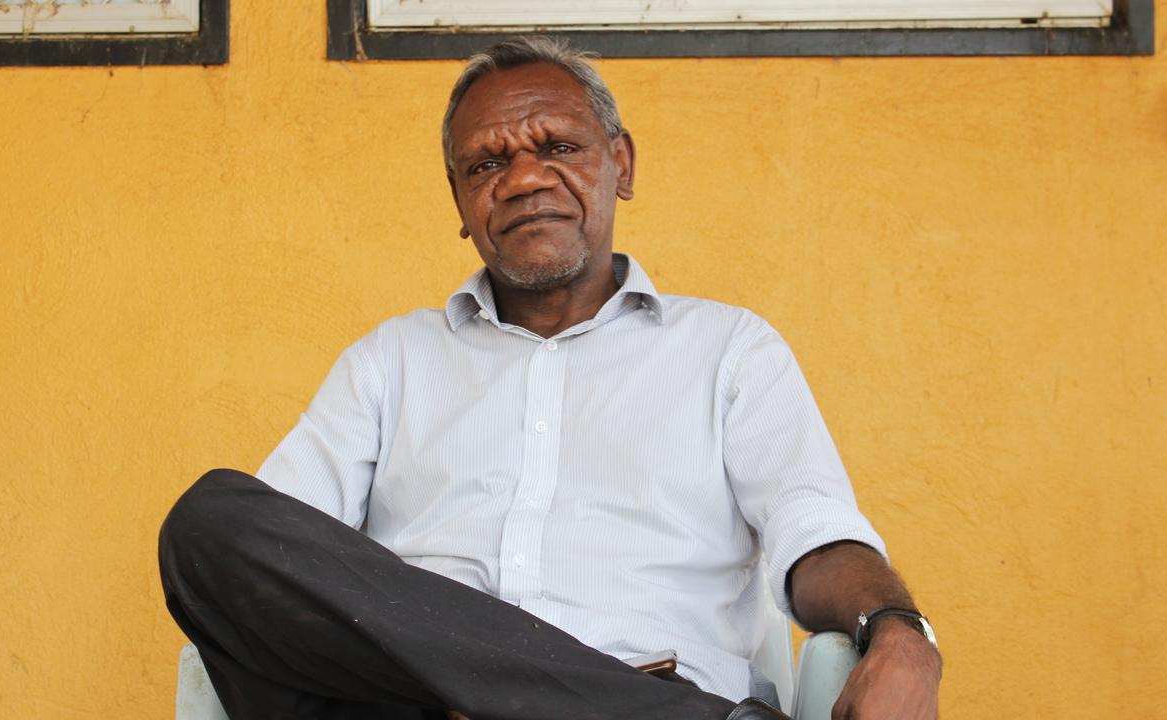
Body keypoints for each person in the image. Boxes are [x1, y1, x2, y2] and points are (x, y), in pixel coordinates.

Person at [159, 36, 942, 720]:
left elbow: (817, 535)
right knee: (208, 523)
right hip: (438, 709)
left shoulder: (730, 349)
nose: (525, 179)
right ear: (462, 204)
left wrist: (899, 632)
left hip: (649, 670)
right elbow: (274, 562)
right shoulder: (389, 362)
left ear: (621, 164)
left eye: (559, 148)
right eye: (487, 163)